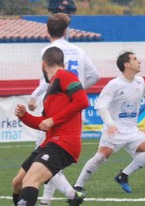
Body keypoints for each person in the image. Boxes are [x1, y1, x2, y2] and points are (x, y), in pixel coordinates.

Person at [73, 51, 145, 194]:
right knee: (101, 156)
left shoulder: (139, 81)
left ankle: (122, 176)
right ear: (127, 64)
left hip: (131, 130)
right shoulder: (114, 84)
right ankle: (78, 186)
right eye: (135, 59)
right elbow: (100, 105)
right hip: (115, 130)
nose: (139, 61)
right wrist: (110, 124)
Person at [28, 13, 99, 206]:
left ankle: (67, 195)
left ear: (47, 30)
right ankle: (47, 199)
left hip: (55, 110)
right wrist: (76, 90)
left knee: (42, 155)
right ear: (66, 31)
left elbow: (47, 81)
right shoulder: (78, 50)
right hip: (74, 112)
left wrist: (34, 96)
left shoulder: (49, 50)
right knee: (53, 157)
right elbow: (95, 75)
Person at [12, 47, 89, 206]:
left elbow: (82, 101)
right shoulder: (52, 88)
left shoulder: (65, 75)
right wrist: (24, 116)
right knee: (17, 183)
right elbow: (43, 123)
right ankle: (73, 196)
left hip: (63, 144)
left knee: (31, 180)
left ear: (44, 64)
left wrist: (53, 120)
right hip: (49, 142)